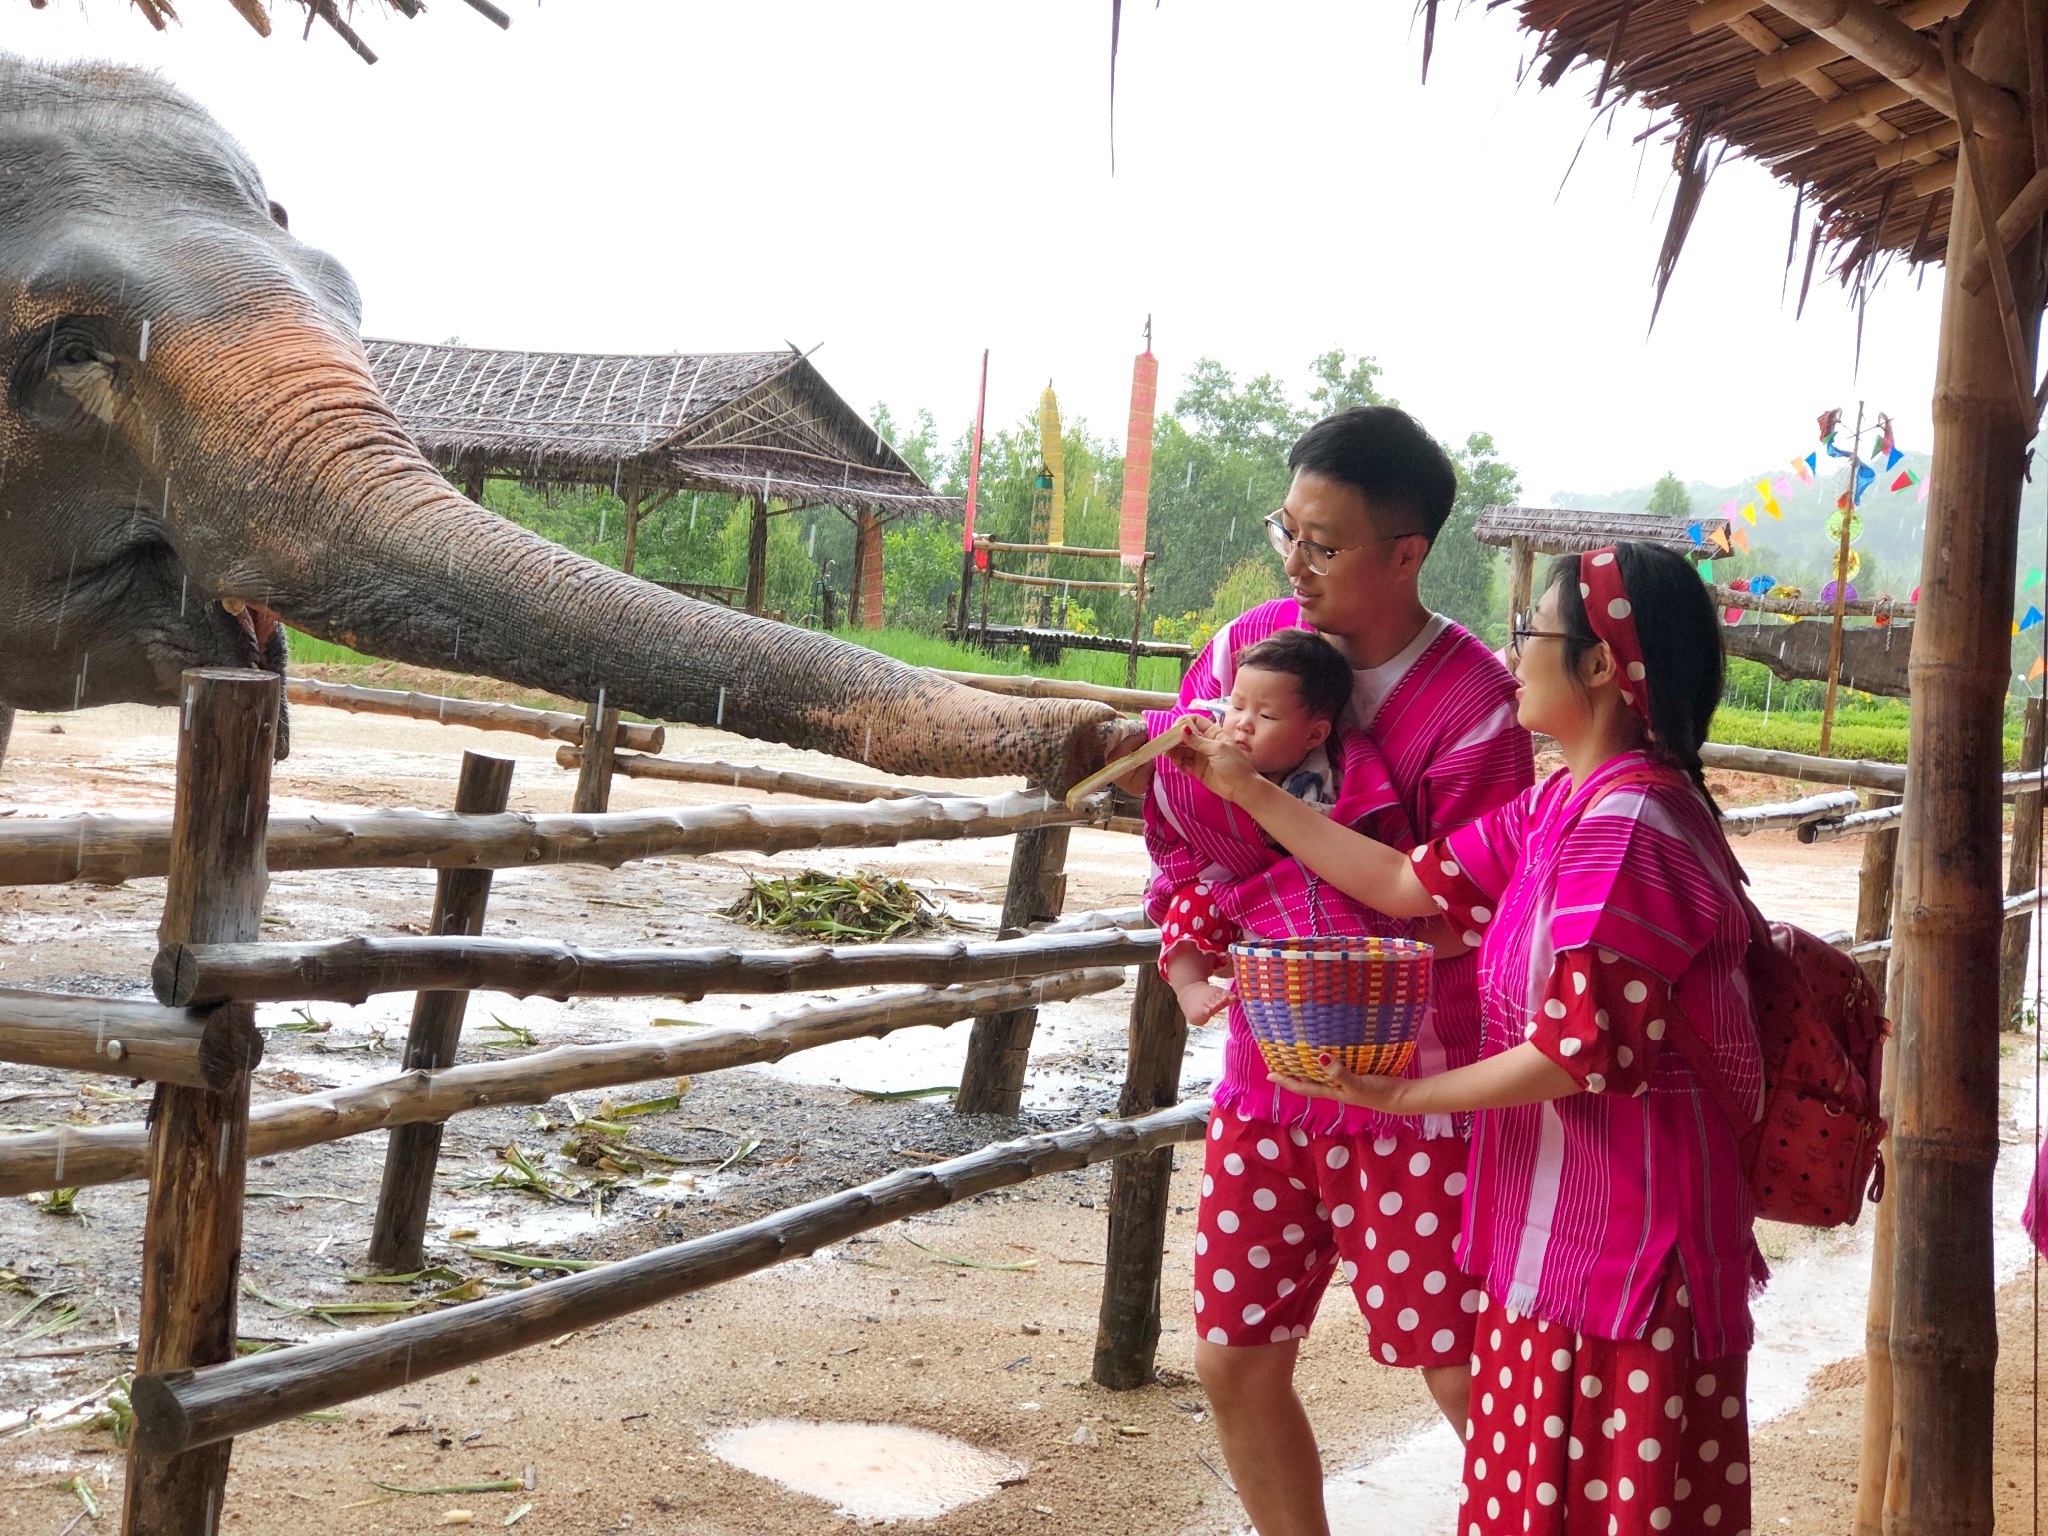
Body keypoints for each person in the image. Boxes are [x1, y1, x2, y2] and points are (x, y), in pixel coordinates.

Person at [1170, 540, 1764, 1536]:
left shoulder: (1625, 827)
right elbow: (1406, 884)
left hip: (1627, 1254)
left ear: (1598, 667)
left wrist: (1398, 1099)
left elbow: (1580, 1048)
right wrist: (1247, 791)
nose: (1511, 650)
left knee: (1602, 1512)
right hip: (1557, 1238)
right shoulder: (1559, 802)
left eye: (1531, 630)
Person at [1115, 406, 1535, 1536]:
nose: (1293, 564)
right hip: (1266, 1073)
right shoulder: (1241, 653)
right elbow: (1175, 831)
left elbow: (1466, 912)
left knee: (1454, 1362)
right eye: (1284, 532)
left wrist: (1272, 848)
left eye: (1324, 543)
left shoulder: (1474, 707)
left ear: (1406, 554)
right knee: (1233, 1357)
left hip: (1417, 1088)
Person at [1147, 626, 1413, 1028]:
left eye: (1266, 715)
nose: (1243, 725)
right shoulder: (1210, 732)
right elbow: (1159, 749)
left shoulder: (1325, 778)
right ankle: (1189, 986)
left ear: (1315, 734)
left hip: (1284, 898)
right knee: (1190, 906)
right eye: (1237, 705)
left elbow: (1326, 837)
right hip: (1218, 884)